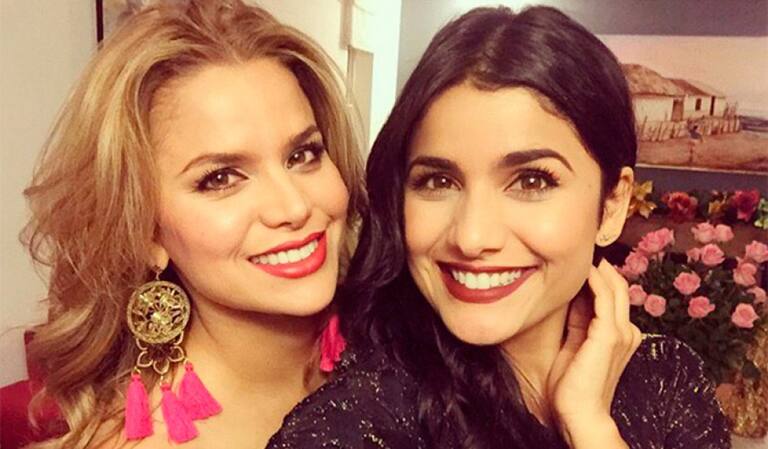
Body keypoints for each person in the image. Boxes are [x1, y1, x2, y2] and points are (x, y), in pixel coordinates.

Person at [268, 6, 730, 449]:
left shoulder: (668, 381)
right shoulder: (359, 421)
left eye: (531, 181)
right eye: (438, 181)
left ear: (611, 206)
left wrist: (590, 427)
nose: (472, 238)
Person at [1, 1, 364, 448]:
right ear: (146, 232)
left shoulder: (401, 344)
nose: (293, 206)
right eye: (221, 178)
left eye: (303, 154)